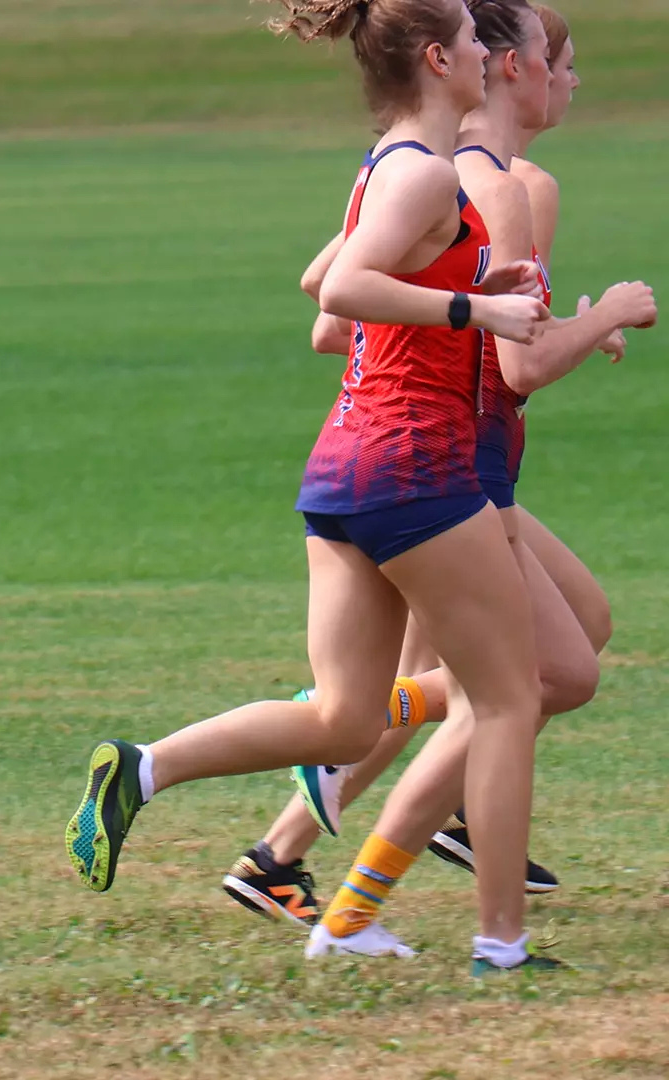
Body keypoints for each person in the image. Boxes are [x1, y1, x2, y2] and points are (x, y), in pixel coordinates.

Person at [64, 0, 562, 974]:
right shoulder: (422, 170)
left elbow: (366, 283)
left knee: (346, 717)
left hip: (348, 464)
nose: (483, 53)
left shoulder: (391, 164)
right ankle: (502, 947)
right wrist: (480, 306)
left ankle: (143, 766)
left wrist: (484, 280)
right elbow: (341, 291)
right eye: (468, 38)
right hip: (415, 464)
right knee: (507, 701)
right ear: (435, 58)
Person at [296, 0, 653, 962]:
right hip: (445, 465)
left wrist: (476, 315)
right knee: (508, 692)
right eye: (553, 58)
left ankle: (333, 870)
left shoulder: (425, 168)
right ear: (497, 67)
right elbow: (512, 363)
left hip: (419, 458)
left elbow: (332, 309)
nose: (565, 78)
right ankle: (435, 917)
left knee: (534, 671)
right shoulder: (501, 184)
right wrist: (581, 314)